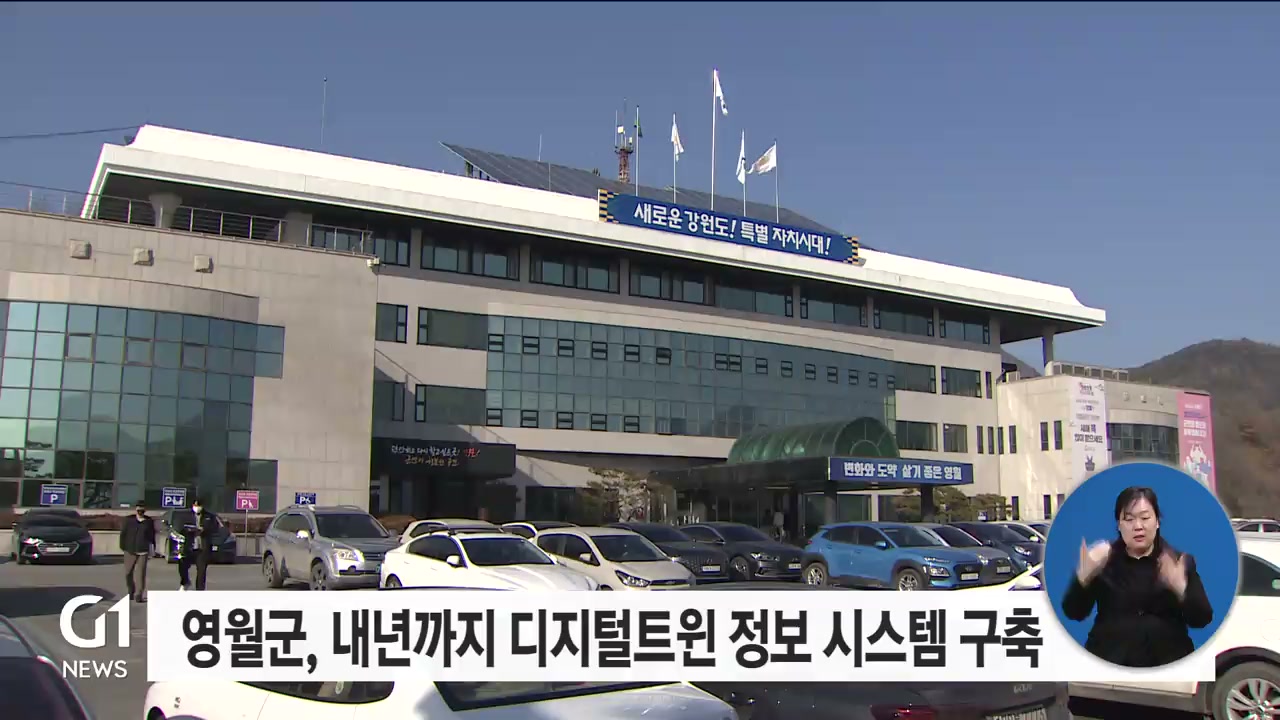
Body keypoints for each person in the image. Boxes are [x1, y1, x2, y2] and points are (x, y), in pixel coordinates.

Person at [1061, 485, 1213, 667]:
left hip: (1168, 665)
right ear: (1119, 525)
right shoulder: (1103, 560)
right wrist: (1083, 578)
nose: (1138, 526)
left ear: (1157, 522)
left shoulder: (1178, 561)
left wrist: (1181, 589)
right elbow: (1074, 612)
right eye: (1129, 519)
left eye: (1145, 518)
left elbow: (1202, 619)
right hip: (1109, 663)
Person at [118, 501, 156, 602]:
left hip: (143, 550)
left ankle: (139, 594)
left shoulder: (148, 522)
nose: (140, 511)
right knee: (128, 572)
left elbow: (152, 536)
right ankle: (131, 590)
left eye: (142, 509)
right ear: (136, 509)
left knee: (141, 574)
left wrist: (152, 548)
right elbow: (123, 534)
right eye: (139, 509)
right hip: (130, 550)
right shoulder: (129, 520)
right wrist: (123, 546)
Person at [177, 498, 218, 591]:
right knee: (182, 565)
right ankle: (185, 582)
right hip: (189, 546)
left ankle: (200, 590)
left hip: (202, 548)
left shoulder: (209, 516)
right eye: (195, 506)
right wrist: (188, 530)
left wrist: (204, 530)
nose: (197, 508)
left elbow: (214, 528)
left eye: (199, 506)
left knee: (201, 571)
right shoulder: (187, 516)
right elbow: (180, 528)